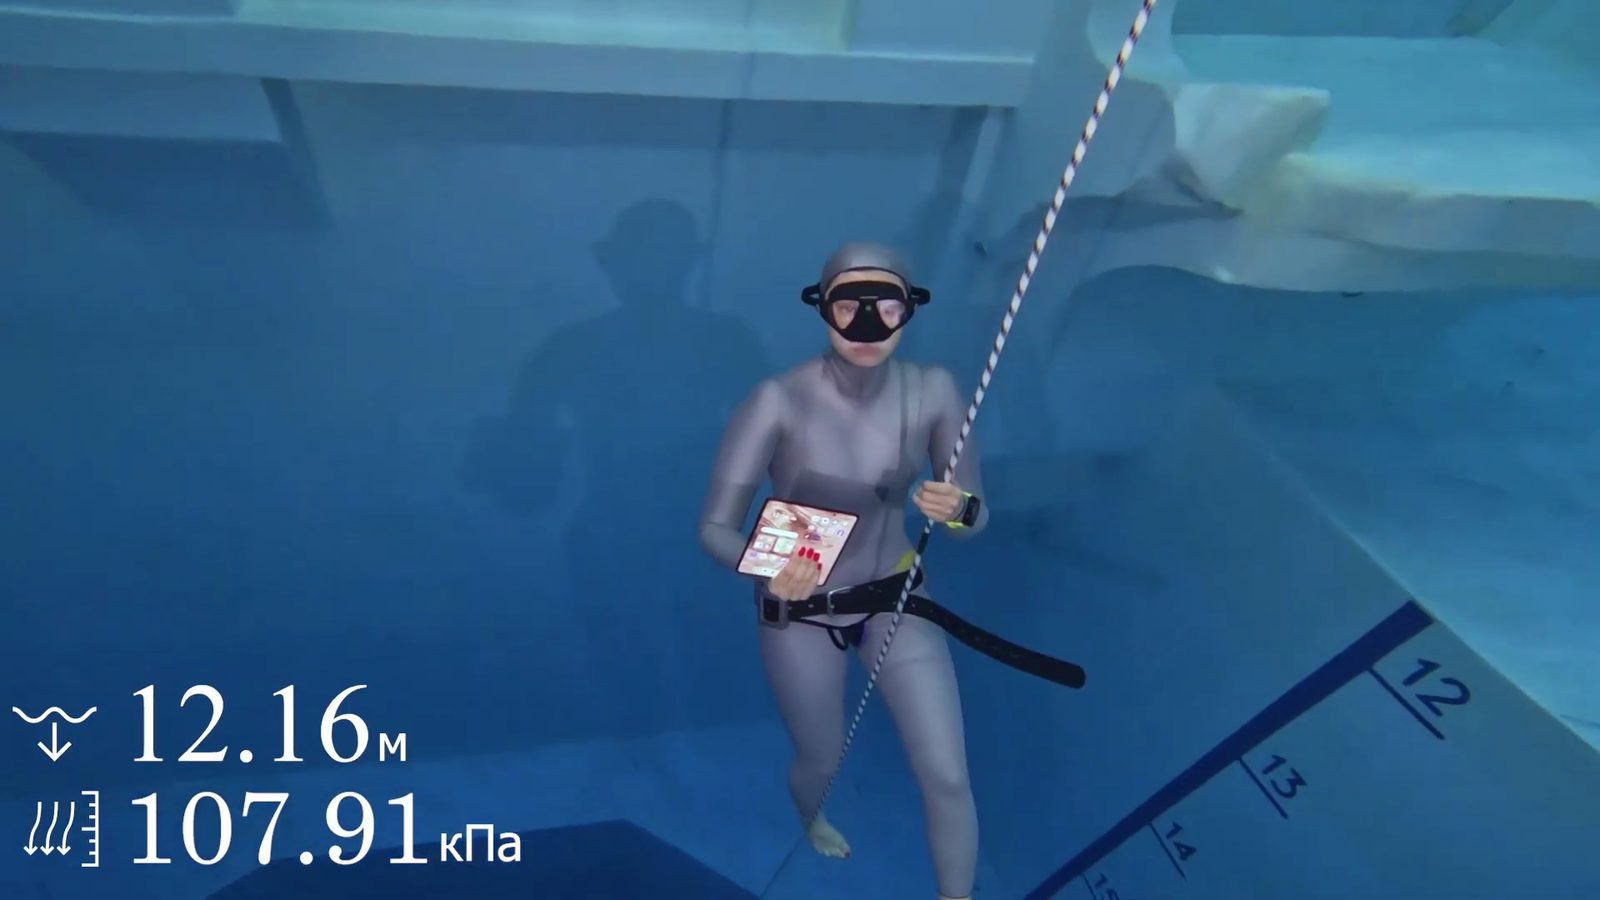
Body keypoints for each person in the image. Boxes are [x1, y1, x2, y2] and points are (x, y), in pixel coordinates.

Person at [697, 241, 988, 900]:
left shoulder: (934, 390)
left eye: (886, 306)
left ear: (909, 309)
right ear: (822, 306)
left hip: (897, 597)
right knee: (820, 759)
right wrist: (762, 567)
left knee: (947, 775)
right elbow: (713, 526)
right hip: (801, 612)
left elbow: (974, 517)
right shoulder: (776, 401)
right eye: (848, 306)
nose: (866, 325)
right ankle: (810, 817)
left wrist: (961, 509)